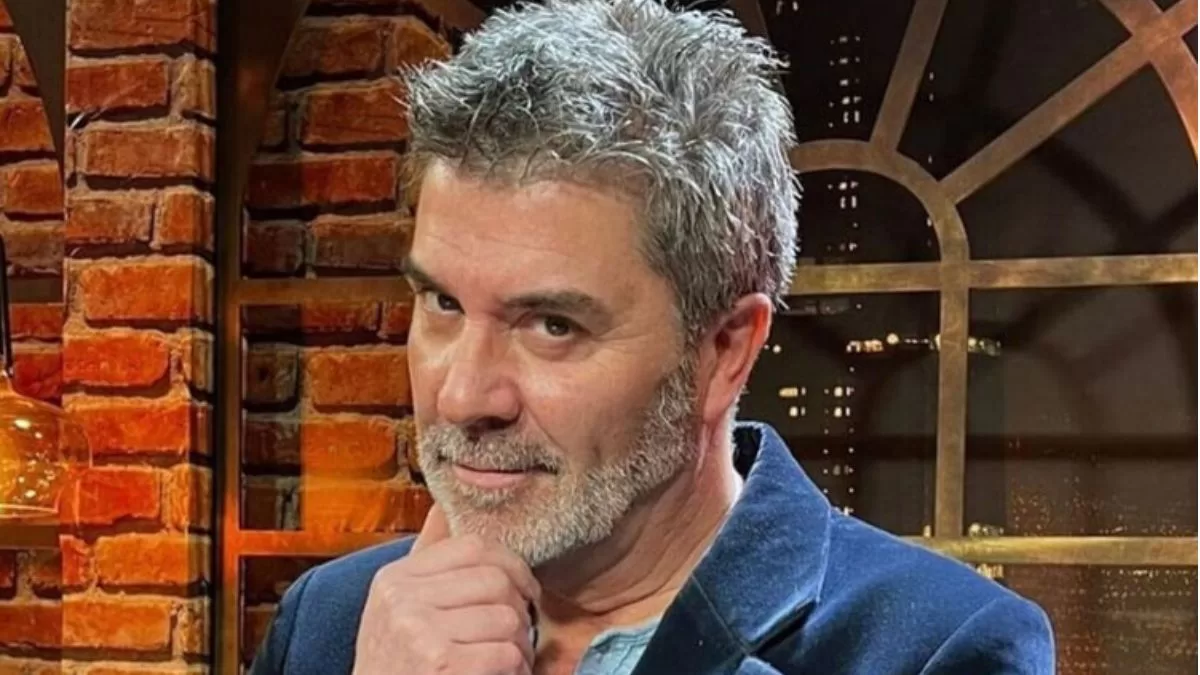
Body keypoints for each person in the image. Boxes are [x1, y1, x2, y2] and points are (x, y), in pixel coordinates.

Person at [249, 0, 1055, 672]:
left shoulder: (937, 647)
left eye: (553, 325)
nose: (462, 396)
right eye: (443, 303)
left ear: (726, 349)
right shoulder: (332, 620)